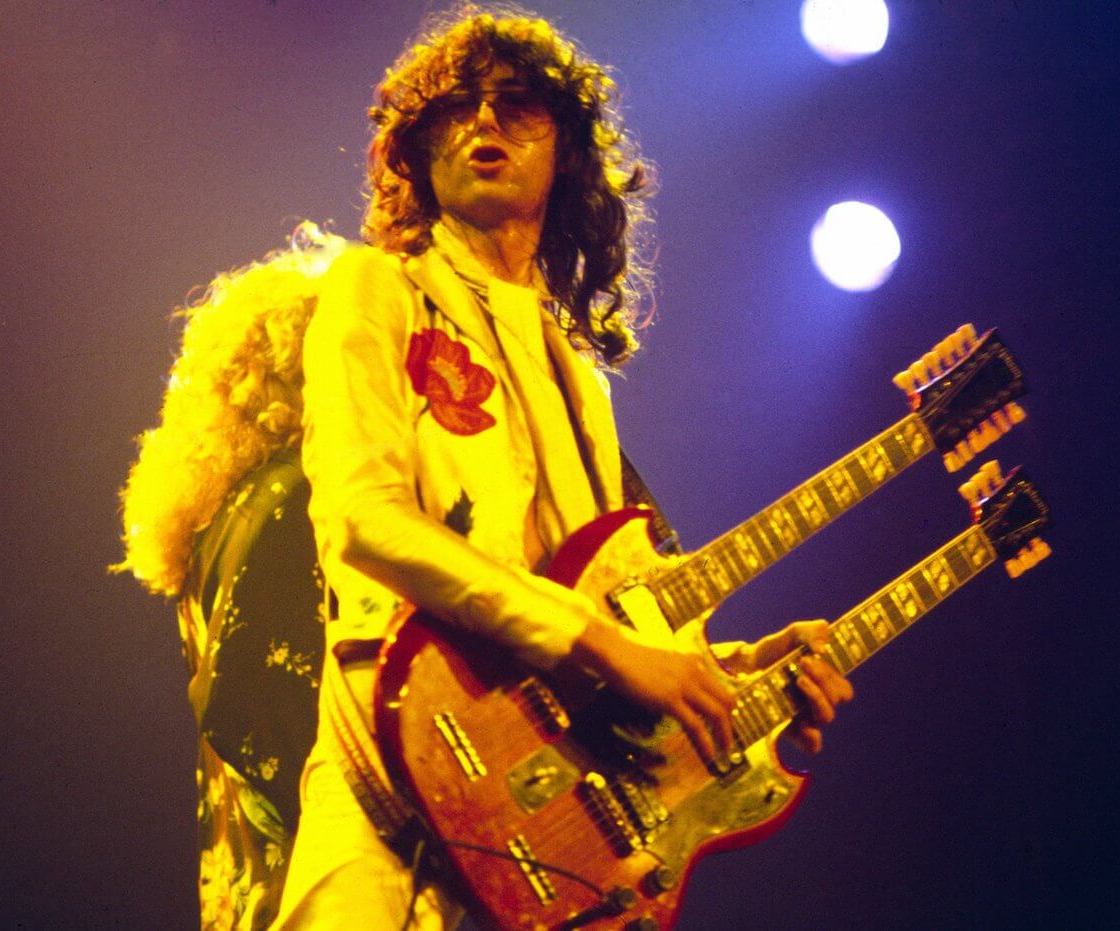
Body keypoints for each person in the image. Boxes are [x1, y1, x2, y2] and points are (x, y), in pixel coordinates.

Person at [118, 7, 852, 930]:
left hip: (540, 807)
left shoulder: (580, 382)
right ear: (416, 153)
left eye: (516, 106)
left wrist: (728, 678)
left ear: (569, 155)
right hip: (387, 767)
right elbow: (363, 518)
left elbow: (593, 595)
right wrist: (603, 644)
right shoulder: (376, 289)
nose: (481, 123)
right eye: (453, 109)